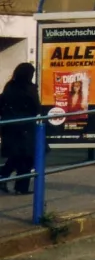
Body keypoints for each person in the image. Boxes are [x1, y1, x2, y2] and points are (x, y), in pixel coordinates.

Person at [0, 63, 40, 195]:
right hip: (26, 127)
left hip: (10, 126)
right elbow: (36, 107)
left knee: (17, 156)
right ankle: (20, 187)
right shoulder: (30, 88)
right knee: (27, 157)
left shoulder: (9, 87)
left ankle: (4, 177)